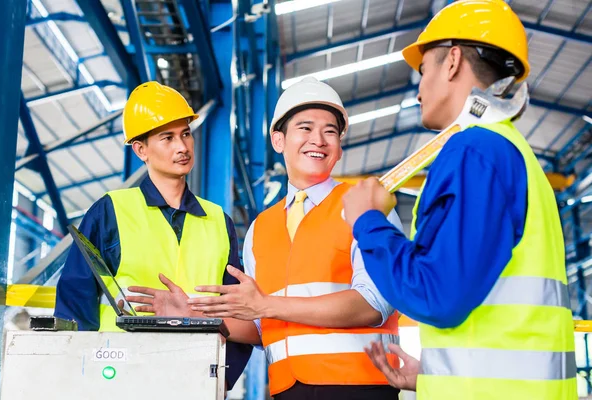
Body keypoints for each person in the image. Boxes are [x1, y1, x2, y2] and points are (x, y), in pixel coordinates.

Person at [341, 1, 577, 399]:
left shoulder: (475, 152)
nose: (418, 88)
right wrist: (433, 378)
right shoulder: (510, 152)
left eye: (422, 70)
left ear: (451, 62)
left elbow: (435, 295)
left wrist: (368, 222)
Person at [187, 76, 404, 400]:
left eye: (330, 131)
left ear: (340, 146)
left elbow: (373, 304)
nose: (319, 139)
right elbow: (261, 326)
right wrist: (193, 315)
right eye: (305, 128)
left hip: (361, 388)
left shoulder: (366, 205)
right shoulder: (261, 228)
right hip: (287, 391)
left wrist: (267, 304)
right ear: (278, 140)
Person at [54, 81, 254, 390]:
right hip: (119, 380)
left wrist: (220, 379)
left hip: (196, 379)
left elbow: (241, 312)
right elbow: (75, 303)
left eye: (186, 134)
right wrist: (82, 379)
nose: (182, 147)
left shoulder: (218, 221)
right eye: (167, 137)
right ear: (141, 150)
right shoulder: (111, 211)